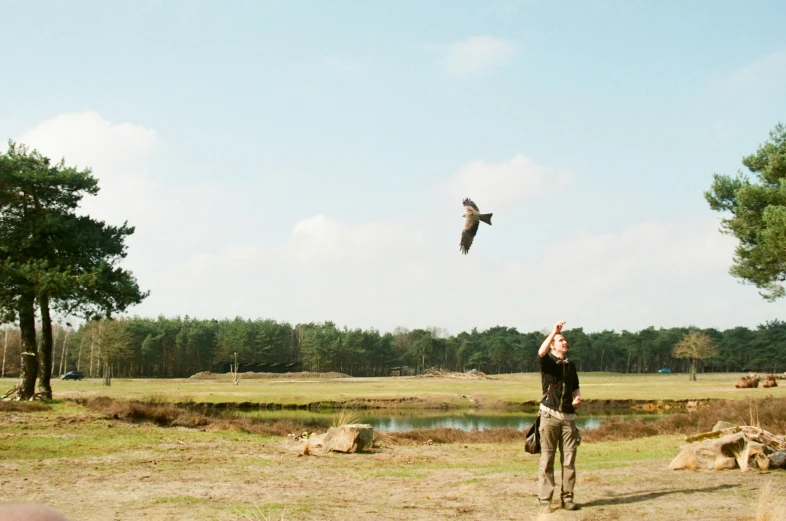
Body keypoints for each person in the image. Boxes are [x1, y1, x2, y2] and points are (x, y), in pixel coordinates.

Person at [537, 320, 581, 514]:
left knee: (569, 460)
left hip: (569, 419)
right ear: (553, 345)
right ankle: (545, 500)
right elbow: (541, 352)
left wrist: (577, 397)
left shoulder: (571, 365)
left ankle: (568, 498)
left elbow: (574, 386)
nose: (564, 342)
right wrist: (553, 332)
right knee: (547, 459)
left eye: (564, 340)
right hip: (549, 416)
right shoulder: (548, 363)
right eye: (560, 340)